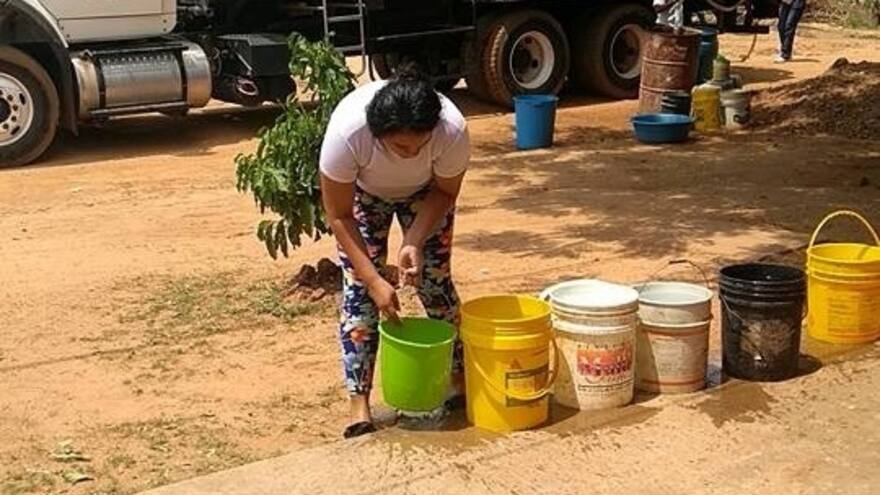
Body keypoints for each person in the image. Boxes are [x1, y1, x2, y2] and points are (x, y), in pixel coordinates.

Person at [319, 65, 469, 438]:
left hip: (428, 194)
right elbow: (338, 215)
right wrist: (372, 278)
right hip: (365, 197)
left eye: (419, 145)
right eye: (401, 147)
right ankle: (360, 404)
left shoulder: (451, 130)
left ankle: (458, 379)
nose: (411, 153)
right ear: (378, 134)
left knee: (435, 285)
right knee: (361, 296)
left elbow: (446, 192)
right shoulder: (348, 133)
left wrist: (414, 241)